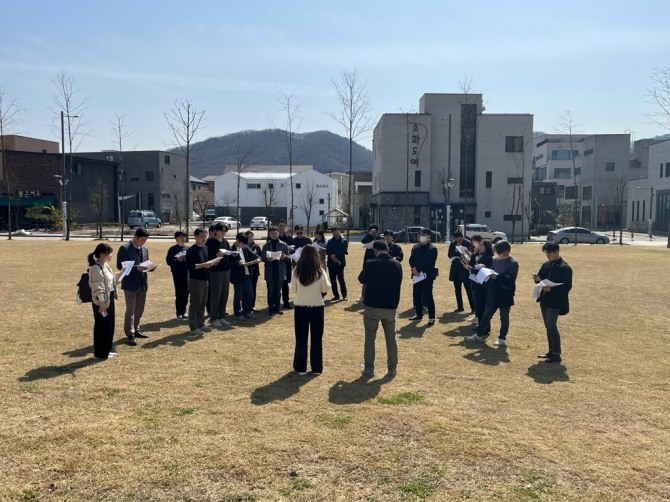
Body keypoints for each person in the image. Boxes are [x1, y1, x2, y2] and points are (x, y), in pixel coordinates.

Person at [358, 240, 403, 378]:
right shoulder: (397, 264)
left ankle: (369, 368)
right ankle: (392, 368)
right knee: (391, 338)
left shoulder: (371, 263)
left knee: (370, 338)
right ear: (388, 250)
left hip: (373, 306)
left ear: (375, 250)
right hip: (390, 306)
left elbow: (361, 279)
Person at [468, 240, 519, 346]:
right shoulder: (496, 260)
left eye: (502, 252)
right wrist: (485, 269)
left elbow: (511, 279)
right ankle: (479, 335)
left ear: (507, 250)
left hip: (505, 293)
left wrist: (498, 276)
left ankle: (501, 338)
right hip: (493, 291)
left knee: (504, 317)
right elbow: (491, 270)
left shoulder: (513, 262)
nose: (500, 254)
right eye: (498, 252)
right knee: (486, 315)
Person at [290, 245, 331, 375]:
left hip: (300, 307)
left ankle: (300, 367)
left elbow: (293, 290)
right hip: (317, 307)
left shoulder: (296, 270)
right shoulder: (320, 271)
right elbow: (325, 288)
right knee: (316, 339)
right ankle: (316, 368)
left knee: (301, 339)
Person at [533, 242, 573, 363]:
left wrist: (551, 289)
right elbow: (541, 280)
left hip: (556, 301)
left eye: (549, 253)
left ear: (556, 251)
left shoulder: (565, 267)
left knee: (551, 325)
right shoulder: (546, 265)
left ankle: (556, 354)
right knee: (548, 326)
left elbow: (567, 286)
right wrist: (536, 279)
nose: (548, 255)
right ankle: (551, 351)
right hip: (544, 299)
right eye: (546, 253)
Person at [116, 227, 151, 346]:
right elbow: (119, 265)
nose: (143, 242)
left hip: (142, 283)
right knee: (130, 309)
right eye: (141, 239)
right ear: (135, 237)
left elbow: (146, 263)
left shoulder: (145, 249)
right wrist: (136, 268)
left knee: (139, 309)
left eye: (145, 240)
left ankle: (136, 328)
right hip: (130, 284)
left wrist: (149, 268)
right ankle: (130, 333)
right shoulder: (124, 248)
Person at [88, 243, 119, 360]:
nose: (111, 255)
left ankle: (107, 350)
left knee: (109, 325)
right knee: (102, 326)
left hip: (109, 298)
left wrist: (123, 273)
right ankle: (99, 353)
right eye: (109, 253)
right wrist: (101, 302)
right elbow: (97, 286)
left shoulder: (105, 266)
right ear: (102, 254)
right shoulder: (96, 268)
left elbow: (112, 281)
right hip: (101, 300)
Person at [185, 228, 217, 335]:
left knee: (203, 302)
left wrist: (213, 262)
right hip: (195, 280)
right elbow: (191, 266)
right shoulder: (191, 250)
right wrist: (204, 265)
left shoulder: (205, 248)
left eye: (205, 236)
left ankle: (201, 323)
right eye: (202, 236)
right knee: (195, 303)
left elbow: (206, 262)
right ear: (196, 237)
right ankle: (193, 327)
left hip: (205, 279)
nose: (204, 239)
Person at [408, 228, 439, 325]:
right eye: (421, 235)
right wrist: (413, 268)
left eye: (424, 235)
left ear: (429, 237)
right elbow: (411, 259)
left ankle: (432, 317)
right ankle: (418, 314)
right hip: (416, 275)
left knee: (428, 296)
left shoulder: (432, 249)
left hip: (427, 275)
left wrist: (419, 269)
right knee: (416, 295)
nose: (421, 237)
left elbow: (430, 263)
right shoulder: (416, 247)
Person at [463, 237, 494, 331]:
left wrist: (471, 269)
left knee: (482, 306)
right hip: (475, 282)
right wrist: (472, 255)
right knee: (478, 306)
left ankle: (485, 327)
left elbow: (484, 270)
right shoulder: (477, 255)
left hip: (483, 285)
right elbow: (472, 264)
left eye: (481, 245)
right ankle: (481, 325)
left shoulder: (488, 258)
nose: (479, 246)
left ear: (486, 247)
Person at [230, 233, 261, 320]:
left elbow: (254, 255)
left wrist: (258, 258)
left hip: (247, 275)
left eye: (244, 244)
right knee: (238, 295)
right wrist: (237, 263)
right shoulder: (231, 250)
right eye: (242, 243)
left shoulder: (245, 248)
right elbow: (229, 263)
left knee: (250, 294)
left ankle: (247, 312)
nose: (243, 246)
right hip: (238, 276)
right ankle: (238, 313)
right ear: (237, 241)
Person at [206, 222, 232, 328]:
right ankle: (214, 318)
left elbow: (228, 254)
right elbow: (207, 256)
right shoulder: (210, 242)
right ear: (216, 231)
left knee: (224, 294)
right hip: (215, 272)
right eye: (222, 231)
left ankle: (222, 316)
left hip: (226, 271)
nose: (224, 233)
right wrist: (215, 256)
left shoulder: (225, 242)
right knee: (215, 295)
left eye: (225, 231)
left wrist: (231, 254)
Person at [261, 226, 291, 315]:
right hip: (270, 271)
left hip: (280, 271)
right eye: (271, 234)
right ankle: (271, 308)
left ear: (278, 233)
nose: (273, 235)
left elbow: (289, 257)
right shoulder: (266, 245)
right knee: (271, 291)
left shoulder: (284, 245)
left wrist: (284, 257)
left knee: (278, 291)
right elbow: (262, 257)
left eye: (275, 233)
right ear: (269, 235)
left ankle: (277, 308)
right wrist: (267, 259)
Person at [448, 230, 475, 313]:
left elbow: (471, 254)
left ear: (462, 237)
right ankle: (460, 307)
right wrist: (457, 253)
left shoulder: (467, 243)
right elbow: (449, 254)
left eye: (459, 238)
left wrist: (463, 254)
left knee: (468, 289)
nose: (457, 240)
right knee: (457, 289)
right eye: (456, 239)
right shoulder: (453, 244)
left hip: (465, 268)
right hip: (456, 268)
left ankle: (473, 308)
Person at [166, 231, 189, 320]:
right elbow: (169, 261)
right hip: (177, 273)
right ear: (176, 238)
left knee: (187, 293)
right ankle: (179, 313)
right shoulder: (172, 249)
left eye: (184, 237)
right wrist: (178, 260)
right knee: (180, 293)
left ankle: (184, 311)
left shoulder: (188, 248)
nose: (183, 239)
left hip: (187, 273)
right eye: (181, 237)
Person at [358, 224, 383, 302]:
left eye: (373, 231)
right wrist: (369, 234)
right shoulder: (369, 237)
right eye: (370, 231)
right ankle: (363, 296)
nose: (372, 232)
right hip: (368, 260)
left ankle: (375, 295)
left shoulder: (380, 238)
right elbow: (363, 242)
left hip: (377, 260)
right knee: (366, 278)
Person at [325, 226, 349, 301]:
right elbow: (327, 250)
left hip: (340, 262)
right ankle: (336, 295)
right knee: (332, 280)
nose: (334, 232)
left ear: (339, 230)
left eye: (335, 230)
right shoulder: (329, 241)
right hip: (331, 263)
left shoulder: (344, 241)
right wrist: (332, 256)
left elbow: (344, 250)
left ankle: (344, 295)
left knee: (341, 279)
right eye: (332, 231)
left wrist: (335, 255)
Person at [277, 219, 295, 309]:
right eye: (280, 226)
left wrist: (290, 250)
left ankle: (286, 302)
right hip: (276, 265)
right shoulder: (273, 237)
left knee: (285, 284)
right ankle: (275, 303)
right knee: (276, 284)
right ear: (277, 227)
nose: (282, 228)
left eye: (283, 226)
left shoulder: (289, 238)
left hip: (286, 264)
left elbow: (294, 250)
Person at [244, 230, 261, 312]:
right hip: (245, 270)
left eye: (251, 236)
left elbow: (260, 256)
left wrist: (258, 259)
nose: (250, 238)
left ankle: (252, 305)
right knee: (246, 289)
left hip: (254, 270)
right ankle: (245, 305)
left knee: (253, 288)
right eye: (248, 237)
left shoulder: (256, 246)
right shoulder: (243, 246)